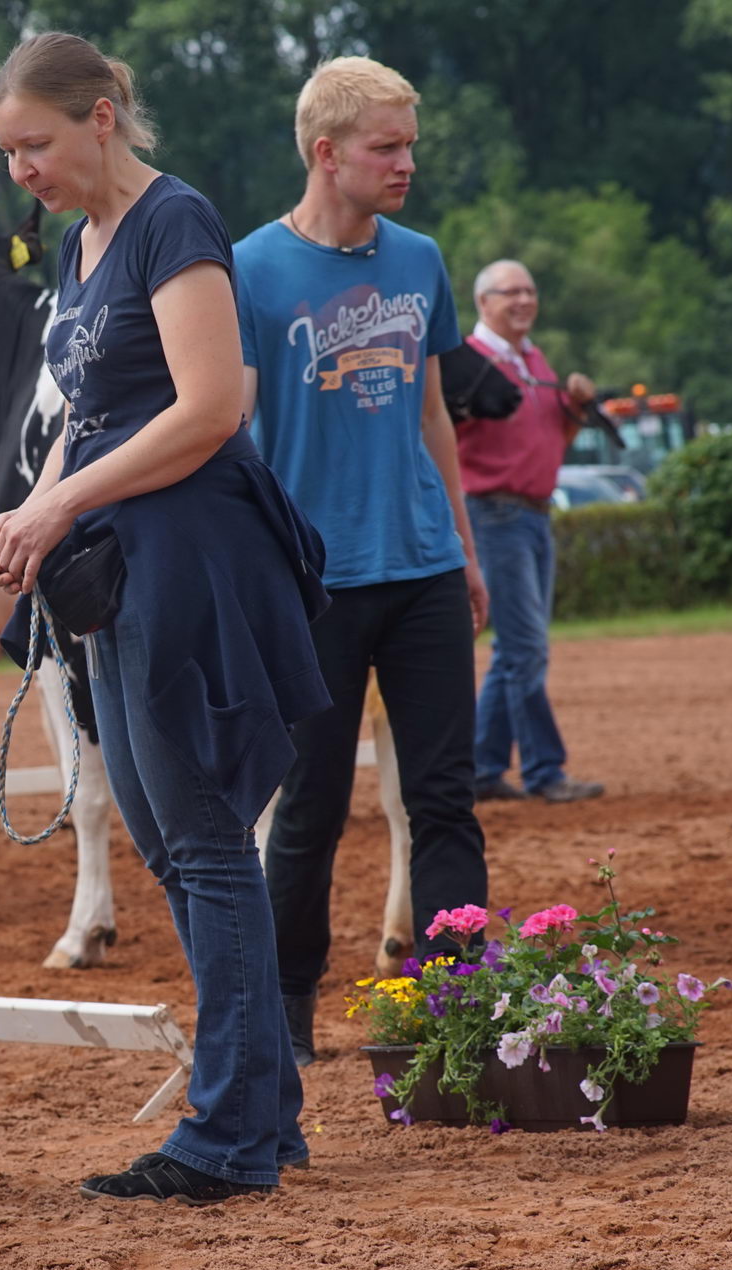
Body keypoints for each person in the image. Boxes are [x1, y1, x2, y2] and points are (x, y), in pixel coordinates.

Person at [0, 32, 330, 1202]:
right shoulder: (79, 253)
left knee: (201, 840)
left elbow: (211, 405)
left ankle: (227, 1134)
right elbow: (88, 417)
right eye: (7, 152)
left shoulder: (172, 220)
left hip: (188, 555)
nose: (20, 168)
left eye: (33, 142)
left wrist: (63, 502)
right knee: (169, 842)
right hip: (115, 559)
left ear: (100, 115)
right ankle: (261, 1113)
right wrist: (27, 518)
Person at [233, 56, 491, 1066]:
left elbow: (432, 409)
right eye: (386, 146)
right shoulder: (248, 270)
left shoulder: (419, 258)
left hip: (421, 569)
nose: (405, 162)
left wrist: (462, 549)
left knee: (443, 799)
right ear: (324, 152)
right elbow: (233, 431)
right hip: (314, 585)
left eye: (409, 144)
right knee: (309, 807)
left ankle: (459, 1008)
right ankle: (285, 1007)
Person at [457, 260, 605, 805]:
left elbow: (549, 440)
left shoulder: (532, 359)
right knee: (525, 649)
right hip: (493, 513)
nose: (523, 300)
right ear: (483, 302)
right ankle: (545, 771)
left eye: (529, 290)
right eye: (510, 292)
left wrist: (574, 408)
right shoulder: (471, 363)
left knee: (515, 652)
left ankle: (482, 768)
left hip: (534, 513)